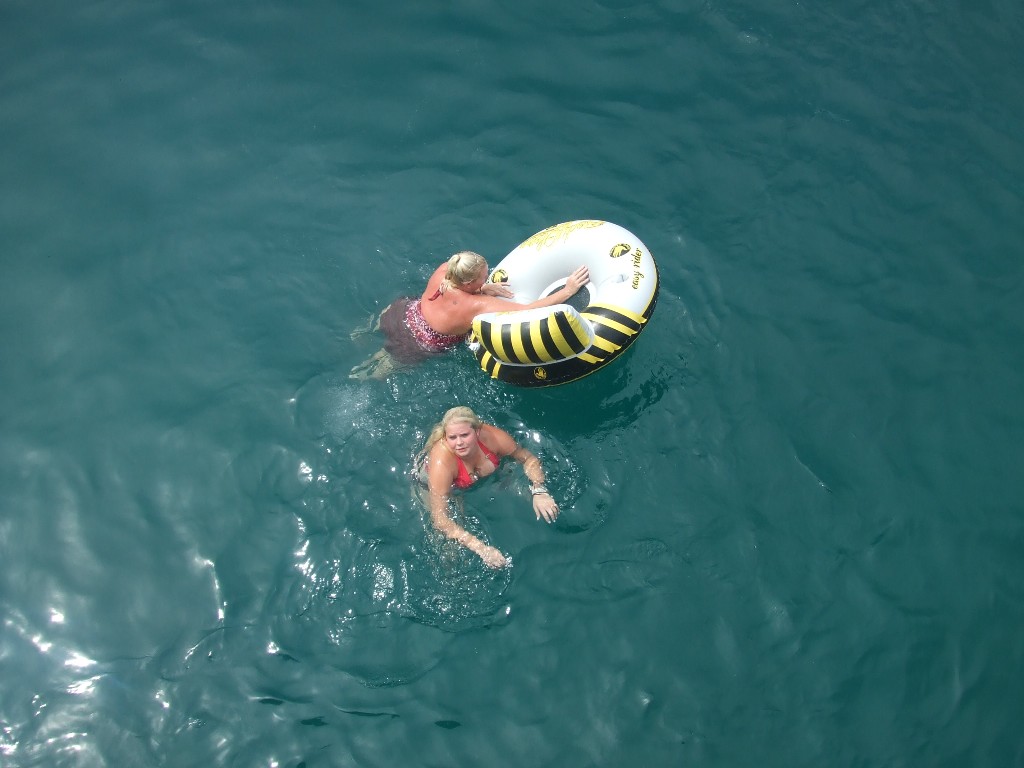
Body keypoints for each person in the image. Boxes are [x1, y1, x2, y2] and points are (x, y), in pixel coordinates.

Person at [350, 251, 589, 378]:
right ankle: (359, 377)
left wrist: (482, 288)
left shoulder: (445, 270)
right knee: (378, 367)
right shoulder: (476, 305)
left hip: (401, 313)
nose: (487, 278)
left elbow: (454, 292)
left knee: (387, 320)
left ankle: (361, 333)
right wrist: (568, 290)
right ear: (468, 283)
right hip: (419, 343)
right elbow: (528, 311)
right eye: (483, 277)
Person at [415, 406, 560, 568]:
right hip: (433, 485)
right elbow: (440, 519)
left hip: (484, 478)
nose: (459, 443)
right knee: (449, 547)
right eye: (452, 437)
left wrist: (539, 490)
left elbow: (528, 458)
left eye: (465, 435)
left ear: (477, 432)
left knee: (533, 492)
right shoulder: (442, 462)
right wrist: (481, 548)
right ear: (445, 437)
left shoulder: (494, 438)